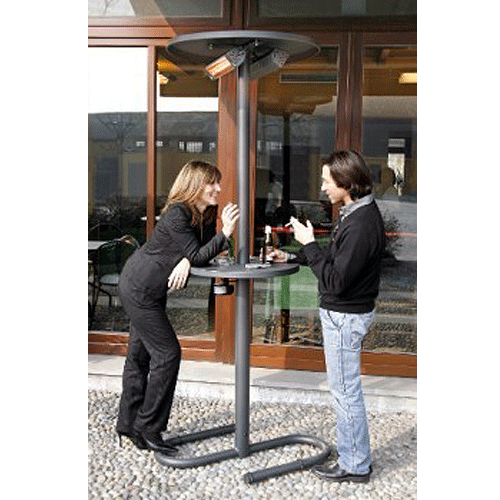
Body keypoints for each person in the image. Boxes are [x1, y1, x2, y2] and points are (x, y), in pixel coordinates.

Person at [269, 150, 385, 483]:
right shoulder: (354, 213)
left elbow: (334, 281)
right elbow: (335, 261)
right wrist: (292, 255)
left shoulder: (361, 224)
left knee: (345, 391)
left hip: (345, 317)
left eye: (326, 181)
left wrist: (308, 243)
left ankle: (355, 465)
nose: (322, 187)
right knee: (344, 389)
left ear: (346, 182)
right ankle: (354, 457)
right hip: (343, 315)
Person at [116, 160, 239, 455]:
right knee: (168, 354)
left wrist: (187, 258)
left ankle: (128, 425)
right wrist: (225, 232)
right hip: (139, 288)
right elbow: (198, 252)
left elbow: (197, 253)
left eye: (218, 182)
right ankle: (149, 428)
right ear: (195, 184)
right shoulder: (177, 213)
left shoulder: (203, 215)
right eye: (212, 182)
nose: (218, 188)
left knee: (139, 356)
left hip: (150, 288)